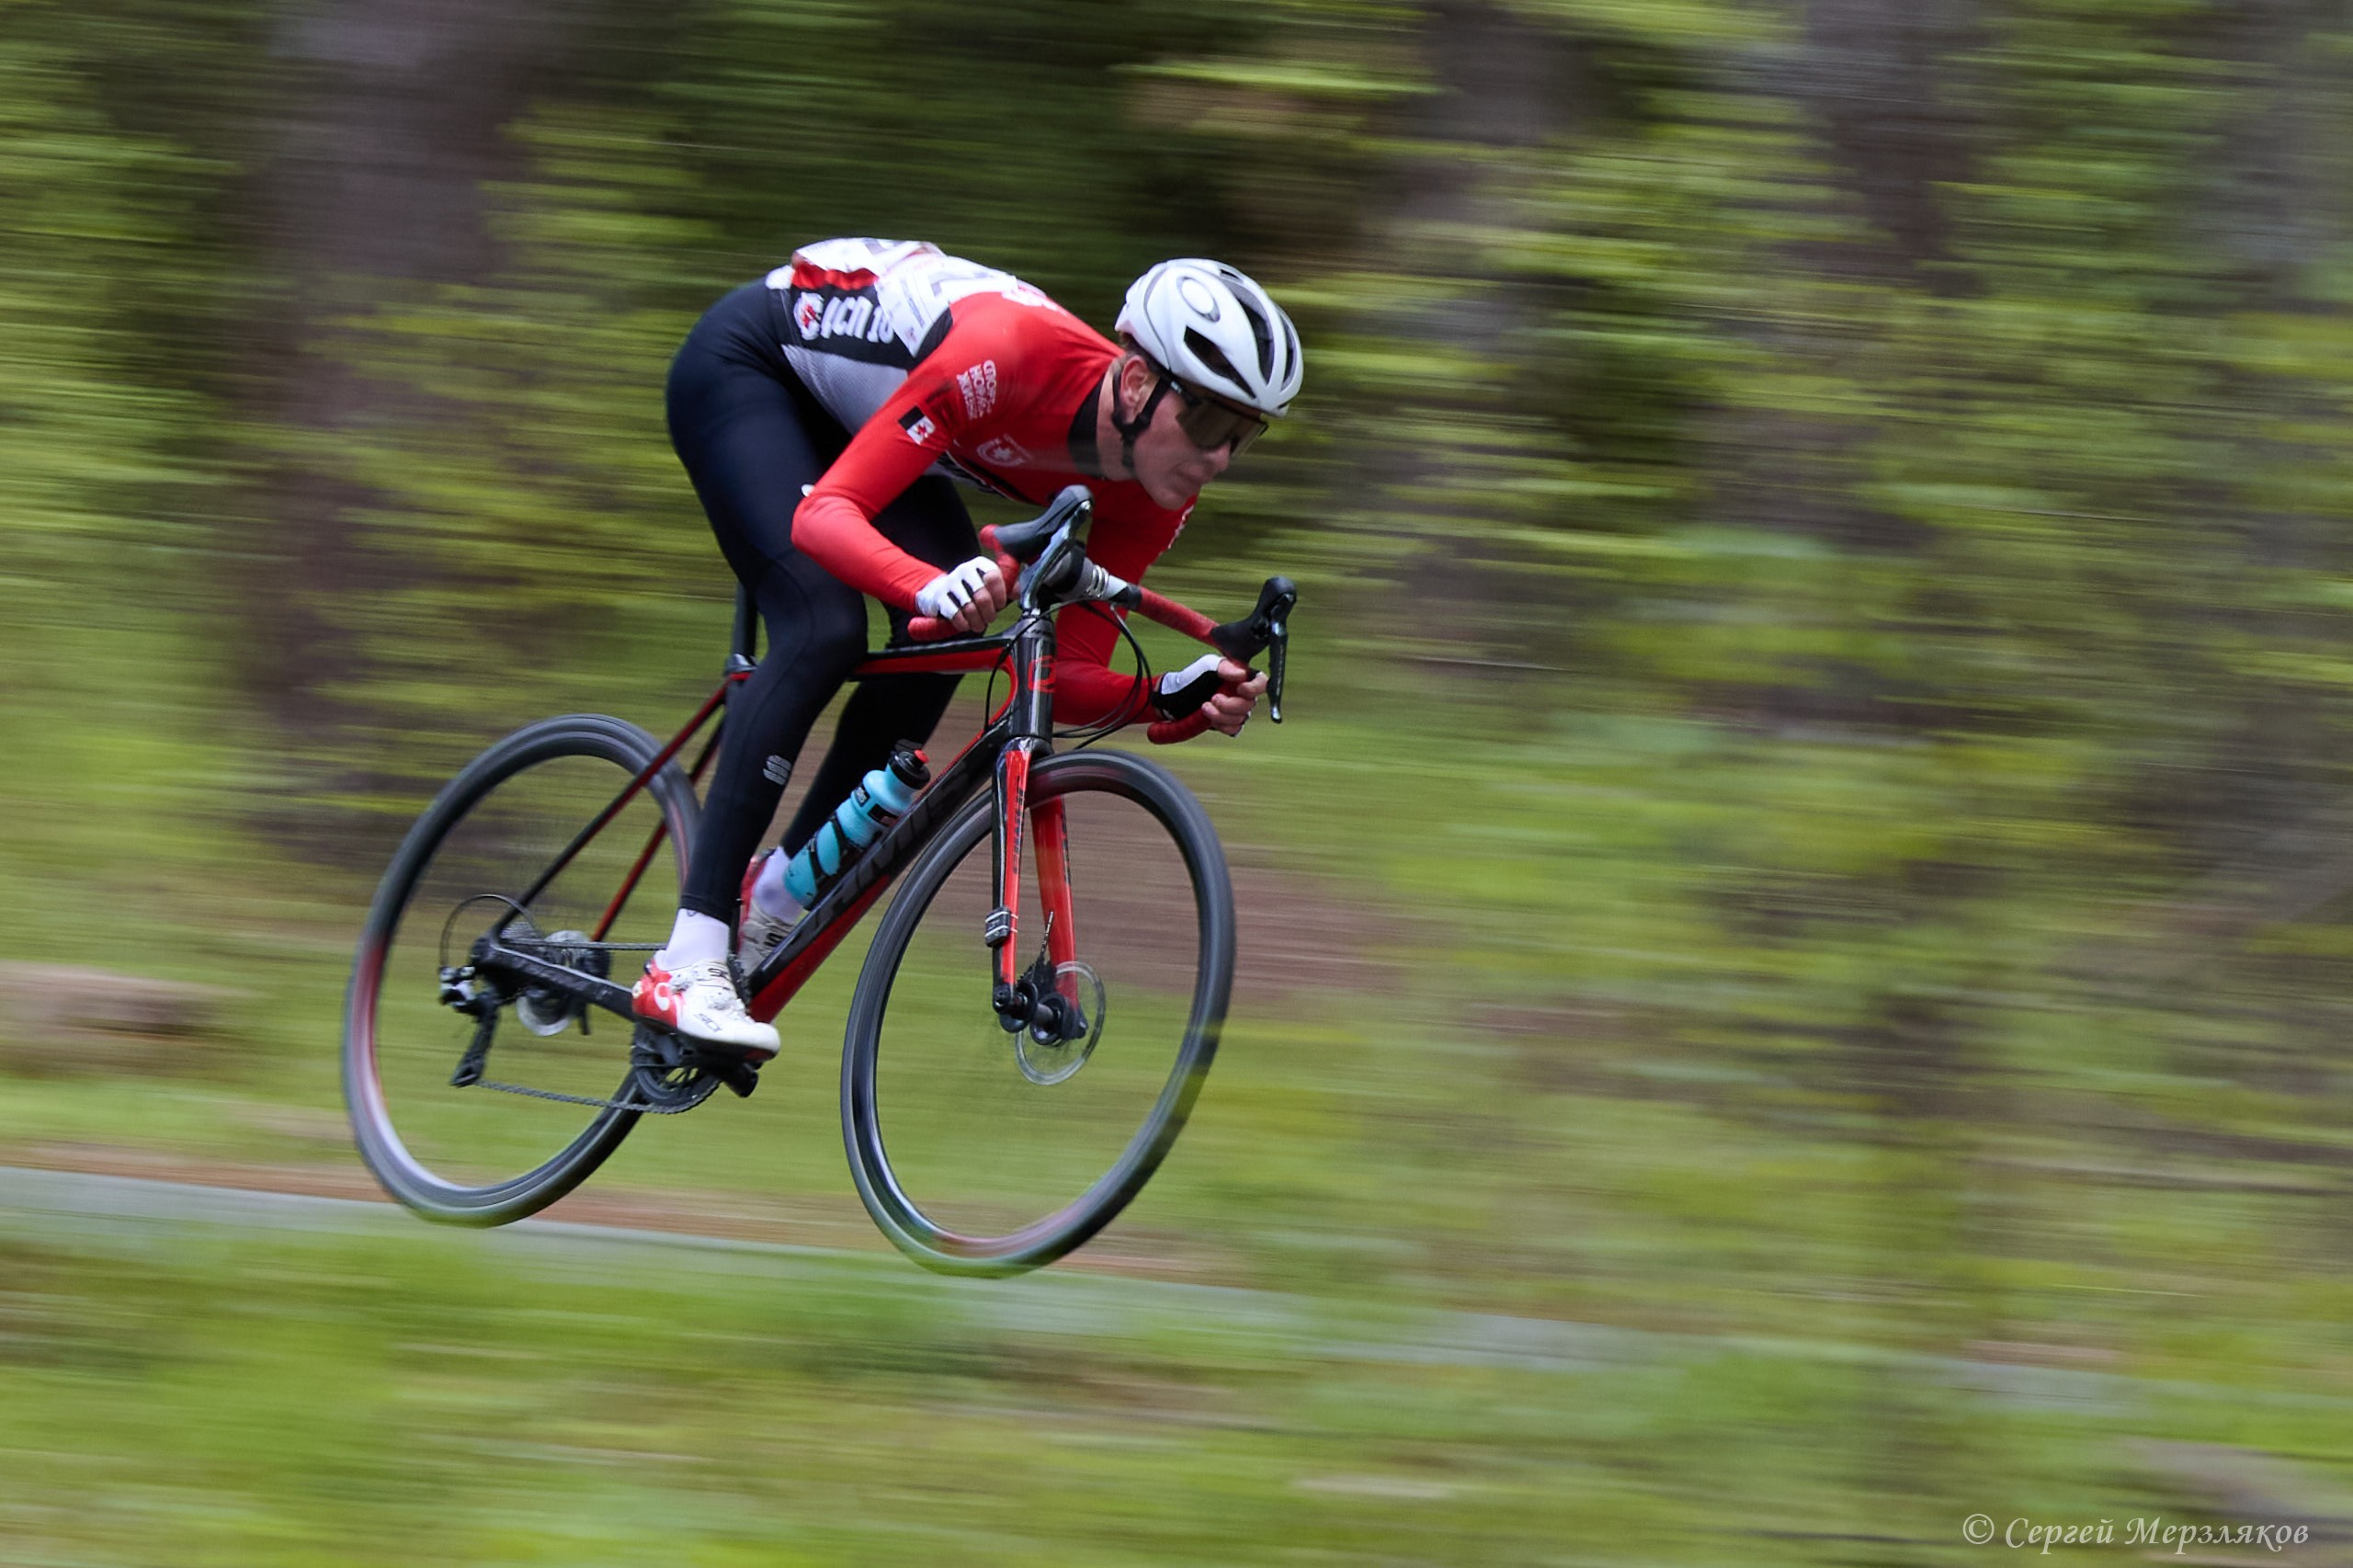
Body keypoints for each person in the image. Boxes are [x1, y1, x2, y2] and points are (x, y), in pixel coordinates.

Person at [632, 239, 1305, 1055]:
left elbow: (1069, 675)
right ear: (1135, 382)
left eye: (1244, 435)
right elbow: (821, 518)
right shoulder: (1008, 355)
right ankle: (688, 956)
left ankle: (770, 896)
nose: (1219, 458)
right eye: (1206, 420)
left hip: (866, 420)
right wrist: (924, 585)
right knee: (824, 624)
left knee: (952, 642)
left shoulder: (1154, 496)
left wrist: (1164, 692)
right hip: (756, 368)